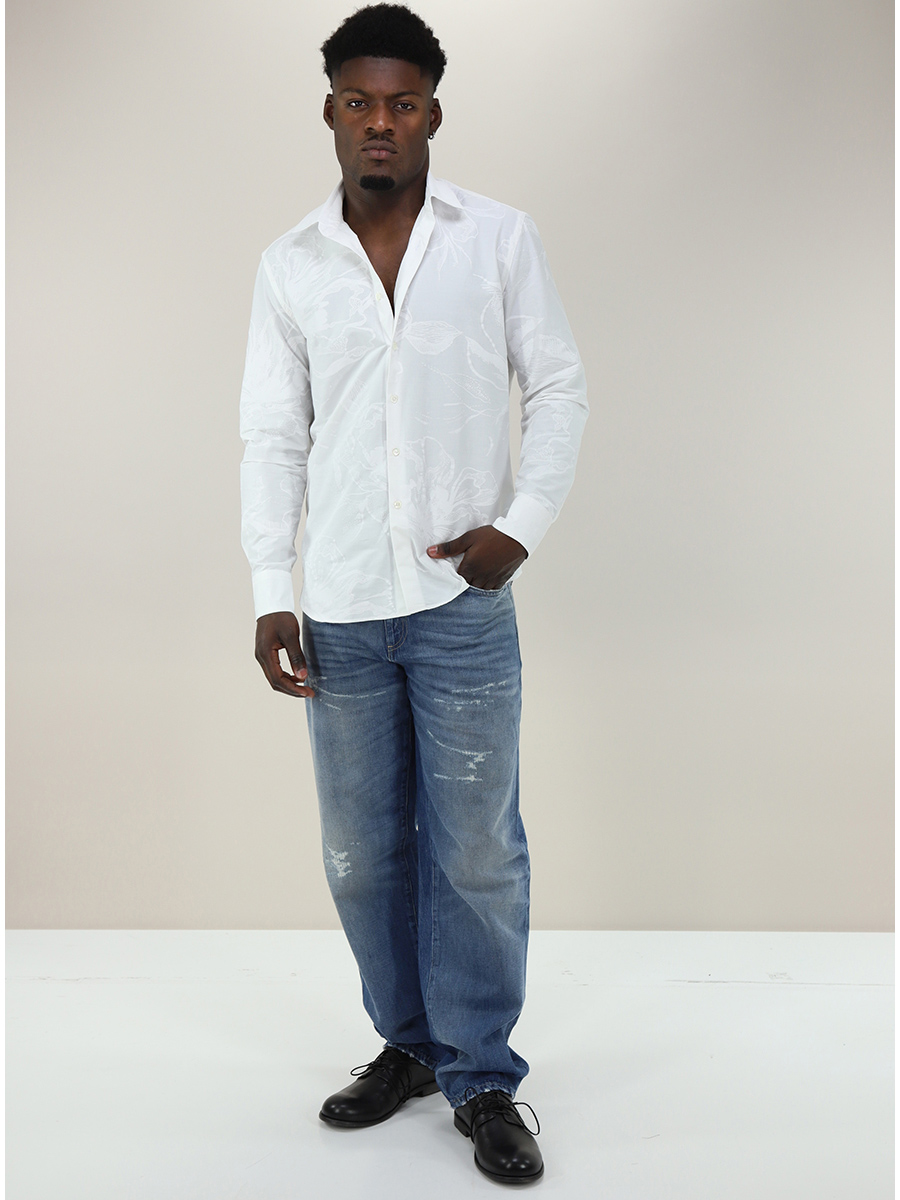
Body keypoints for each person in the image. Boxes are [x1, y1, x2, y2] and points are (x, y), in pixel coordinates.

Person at [239, 3, 587, 1185]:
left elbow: (560, 386)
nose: (378, 121)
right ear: (330, 113)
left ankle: (482, 1074)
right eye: (358, 102)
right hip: (338, 608)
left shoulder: (497, 239)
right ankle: (409, 1044)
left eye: (401, 103)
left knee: (477, 850)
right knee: (363, 856)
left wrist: (519, 528)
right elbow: (271, 434)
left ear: (433, 113)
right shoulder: (291, 264)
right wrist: (272, 588)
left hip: (459, 610)